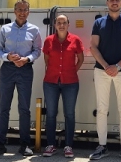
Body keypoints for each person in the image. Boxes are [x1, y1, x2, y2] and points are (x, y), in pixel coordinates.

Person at [0, 0, 42, 157]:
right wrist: (8, 57)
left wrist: (27, 59)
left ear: (29, 12)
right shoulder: (5, 29)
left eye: (25, 10)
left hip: (25, 70)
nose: (22, 12)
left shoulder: (34, 30)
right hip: (8, 69)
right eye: (19, 9)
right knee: (4, 107)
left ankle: (25, 144)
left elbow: (37, 50)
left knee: (24, 108)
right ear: (14, 11)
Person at [89, 0, 121, 162]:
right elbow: (93, 47)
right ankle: (102, 146)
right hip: (101, 71)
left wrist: (116, 66)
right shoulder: (98, 23)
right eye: (111, 0)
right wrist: (106, 66)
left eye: (117, 0)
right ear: (107, 3)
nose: (114, 2)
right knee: (102, 109)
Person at [41, 14, 84, 158]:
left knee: (69, 114)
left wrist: (71, 71)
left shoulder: (75, 40)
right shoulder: (48, 41)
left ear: (68, 24)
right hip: (51, 82)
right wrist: (56, 71)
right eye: (59, 22)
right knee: (51, 114)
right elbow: (46, 59)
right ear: (55, 25)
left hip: (70, 82)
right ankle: (51, 145)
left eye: (64, 22)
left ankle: (68, 146)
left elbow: (81, 58)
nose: (61, 25)